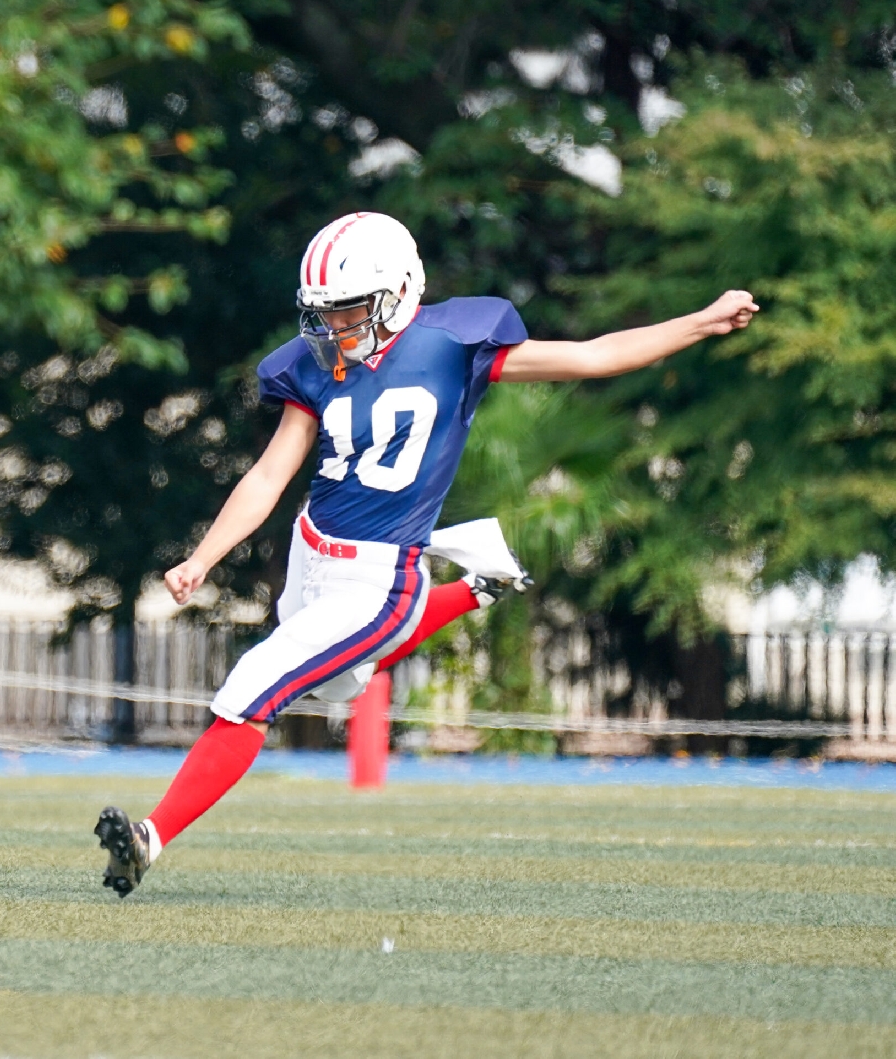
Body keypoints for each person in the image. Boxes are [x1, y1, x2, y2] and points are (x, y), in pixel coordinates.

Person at [95, 211, 758, 896]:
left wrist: (701, 321)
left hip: (380, 576)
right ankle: (478, 587)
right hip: (311, 553)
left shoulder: (454, 344)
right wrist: (204, 556)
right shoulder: (315, 366)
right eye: (324, 313)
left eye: (349, 310)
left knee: (253, 687)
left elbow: (593, 356)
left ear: (399, 291)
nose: (335, 328)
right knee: (333, 681)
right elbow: (268, 475)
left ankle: (149, 839)